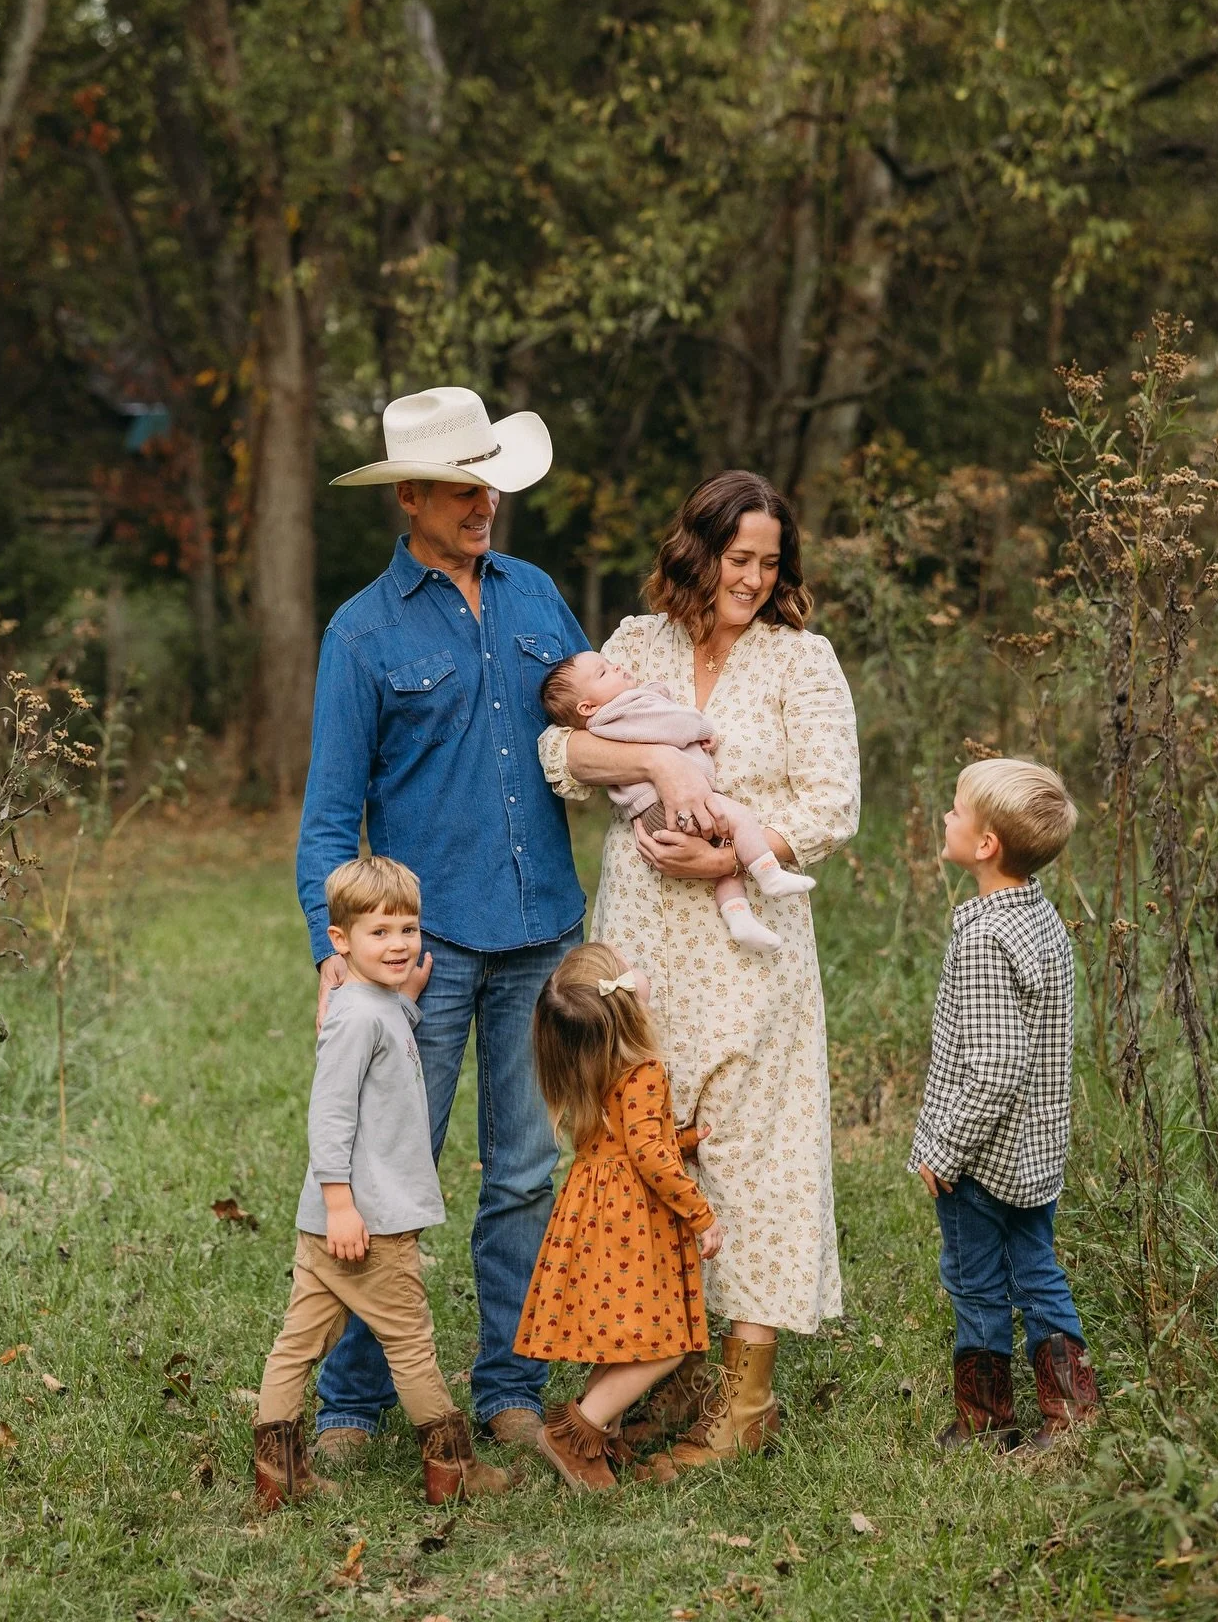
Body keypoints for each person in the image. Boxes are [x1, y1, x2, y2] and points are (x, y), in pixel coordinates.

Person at [297, 386, 706, 1457]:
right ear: (412, 499)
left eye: (492, 485)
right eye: (463, 488)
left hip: (541, 941)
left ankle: (509, 1388)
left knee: (524, 1174)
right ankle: (350, 1399)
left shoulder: (536, 601)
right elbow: (332, 815)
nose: (486, 504)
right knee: (391, 1172)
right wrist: (331, 954)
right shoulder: (362, 633)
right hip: (417, 959)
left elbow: (591, 734)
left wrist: (669, 769)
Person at [537, 469, 859, 1471]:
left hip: (747, 939)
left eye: (770, 562)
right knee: (643, 1150)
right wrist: (664, 770)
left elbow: (833, 804)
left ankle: (744, 1405)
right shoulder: (634, 647)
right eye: (738, 559)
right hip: (640, 942)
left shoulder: (801, 663)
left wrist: (732, 855)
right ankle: (657, 1364)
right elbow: (557, 749)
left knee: (757, 1153)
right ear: (698, 553)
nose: (754, 579)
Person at [253, 856, 511, 1508]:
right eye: (379, 933)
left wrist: (407, 1001)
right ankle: (450, 1466)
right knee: (412, 1346)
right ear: (340, 941)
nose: (398, 944)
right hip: (369, 1223)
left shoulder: (375, 1005)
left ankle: (277, 1469)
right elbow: (330, 1115)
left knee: (299, 1341)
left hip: (331, 1222)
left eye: (408, 928)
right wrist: (342, 1203)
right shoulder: (357, 1018)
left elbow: (383, 1035)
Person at [909, 757, 1100, 1452]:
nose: (948, 818)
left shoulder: (987, 938)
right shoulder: (1040, 917)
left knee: (976, 1280)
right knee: (1038, 1271)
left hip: (982, 1160)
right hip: (1037, 1151)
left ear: (987, 845)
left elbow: (995, 1068)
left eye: (958, 811)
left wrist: (943, 1148)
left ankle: (987, 1422)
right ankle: (1073, 1414)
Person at [515, 941, 724, 1492]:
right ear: (626, 1002)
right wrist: (702, 1215)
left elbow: (627, 1137)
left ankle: (594, 1436)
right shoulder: (644, 1070)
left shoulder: (588, 1067)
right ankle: (575, 1432)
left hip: (591, 1211)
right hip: (633, 1218)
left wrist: (682, 1138)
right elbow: (648, 1156)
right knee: (663, 1343)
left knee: (625, 1336)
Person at [539, 650, 815, 952]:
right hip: (669, 807)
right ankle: (769, 873)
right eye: (604, 673)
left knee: (726, 857)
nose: (615, 665)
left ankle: (739, 918)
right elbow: (669, 723)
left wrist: (651, 689)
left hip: (655, 814)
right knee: (741, 820)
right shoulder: (618, 711)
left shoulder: (608, 719)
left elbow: (651, 709)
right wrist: (704, 728)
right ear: (588, 706)